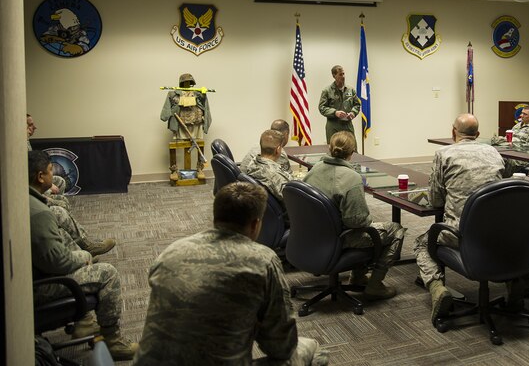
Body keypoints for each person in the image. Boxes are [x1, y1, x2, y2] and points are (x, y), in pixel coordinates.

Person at [134, 182, 328, 366]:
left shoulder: (172, 251)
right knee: (311, 348)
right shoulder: (262, 261)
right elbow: (282, 347)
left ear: (215, 216)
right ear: (255, 224)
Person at [29, 151, 137, 361]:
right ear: (40, 177)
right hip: (41, 285)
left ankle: (85, 321)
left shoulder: (29, 201)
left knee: (61, 232)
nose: (54, 176)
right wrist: (84, 257)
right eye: (51, 171)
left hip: (38, 275)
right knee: (108, 273)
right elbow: (58, 262)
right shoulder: (39, 213)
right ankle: (112, 341)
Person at [414, 114, 505, 323]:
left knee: (422, 243)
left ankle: (437, 289)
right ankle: (517, 285)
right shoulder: (494, 152)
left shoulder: (444, 153)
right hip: (497, 230)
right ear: (478, 135)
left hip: (461, 233)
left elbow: (436, 200)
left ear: (453, 132)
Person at [303, 131, 405, 300]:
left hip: (312, 234)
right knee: (395, 230)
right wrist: (369, 220)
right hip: (339, 238)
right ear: (352, 153)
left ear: (330, 148)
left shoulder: (314, 170)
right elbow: (357, 222)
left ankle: (358, 276)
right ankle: (375, 285)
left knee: (369, 228)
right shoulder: (351, 178)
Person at [27, 115, 116, 256]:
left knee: (60, 184)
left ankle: (78, 246)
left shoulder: (25, 142)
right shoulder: (16, 147)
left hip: (33, 190)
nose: (34, 127)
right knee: (60, 210)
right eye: (30, 125)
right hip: (30, 196)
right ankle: (84, 249)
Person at [160, 73, 211, 179]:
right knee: (176, 146)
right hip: (180, 125)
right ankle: (174, 170)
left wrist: (206, 123)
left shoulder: (199, 94)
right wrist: (165, 116)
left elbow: (206, 108)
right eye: (185, 82)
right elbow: (166, 109)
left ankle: (200, 168)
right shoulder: (173, 94)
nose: (187, 84)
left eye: (189, 82)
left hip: (196, 125)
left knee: (198, 146)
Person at [245, 130, 293, 226]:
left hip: (264, 216)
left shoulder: (253, 163)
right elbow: (294, 201)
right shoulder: (276, 177)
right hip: (286, 221)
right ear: (278, 149)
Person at [318, 65, 360, 144]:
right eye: (340, 74)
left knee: (352, 149)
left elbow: (357, 105)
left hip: (347, 125)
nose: (343, 76)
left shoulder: (350, 90)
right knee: (335, 150)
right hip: (333, 125)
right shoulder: (327, 91)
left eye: (343, 74)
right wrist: (335, 112)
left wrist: (353, 113)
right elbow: (322, 108)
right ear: (334, 76)